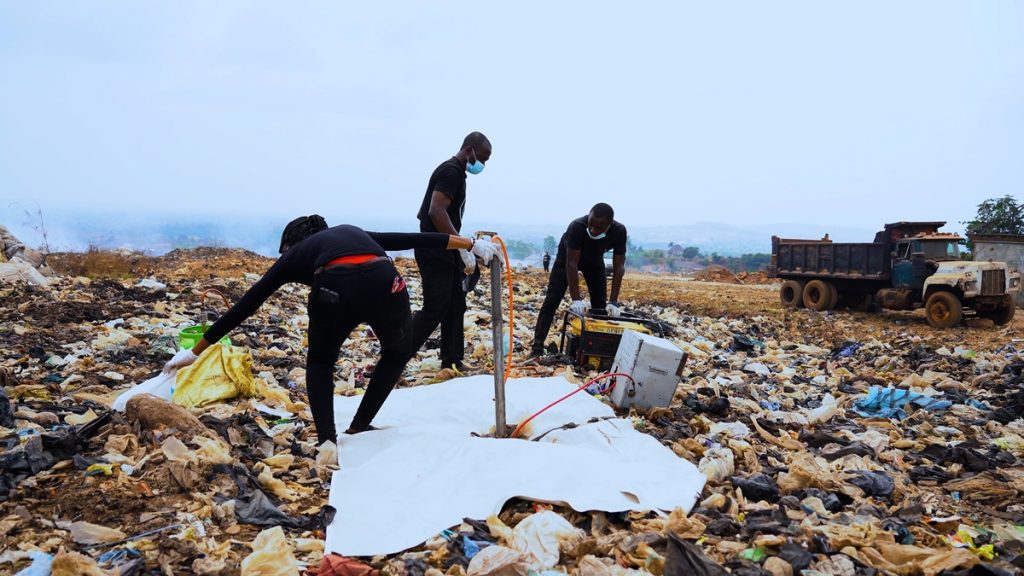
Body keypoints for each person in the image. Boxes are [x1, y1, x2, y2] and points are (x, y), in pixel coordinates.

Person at [162, 215, 500, 446]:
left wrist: (195, 351)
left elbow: (247, 304)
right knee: (398, 351)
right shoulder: (352, 232)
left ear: (293, 243)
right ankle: (360, 424)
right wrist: (468, 244)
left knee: (321, 363)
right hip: (386, 279)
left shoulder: (297, 253)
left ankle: (328, 442)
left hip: (335, 288)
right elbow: (411, 239)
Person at [409, 132, 492, 372]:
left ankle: (453, 361)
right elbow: (435, 212)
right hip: (435, 249)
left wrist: (460, 246)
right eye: (482, 158)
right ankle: (395, 356)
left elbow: (429, 213)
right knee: (435, 308)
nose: (483, 165)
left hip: (446, 248)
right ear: (469, 151)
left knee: (456, 305)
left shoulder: (455, 173)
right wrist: (465, 244)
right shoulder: (451, 172)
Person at [529, 203, 627, 358]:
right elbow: (571, 264)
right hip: (566, 260)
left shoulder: (619, 231)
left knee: (600, 308)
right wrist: (576, 299)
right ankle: (537, 349)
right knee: (551, 301)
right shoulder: (577, 227)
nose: (593, 230)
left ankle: (593, 352)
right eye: (591, 225)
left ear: (609, 225)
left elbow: (619, 267)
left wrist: (613, 301)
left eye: (599, 228)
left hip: (594, 262)